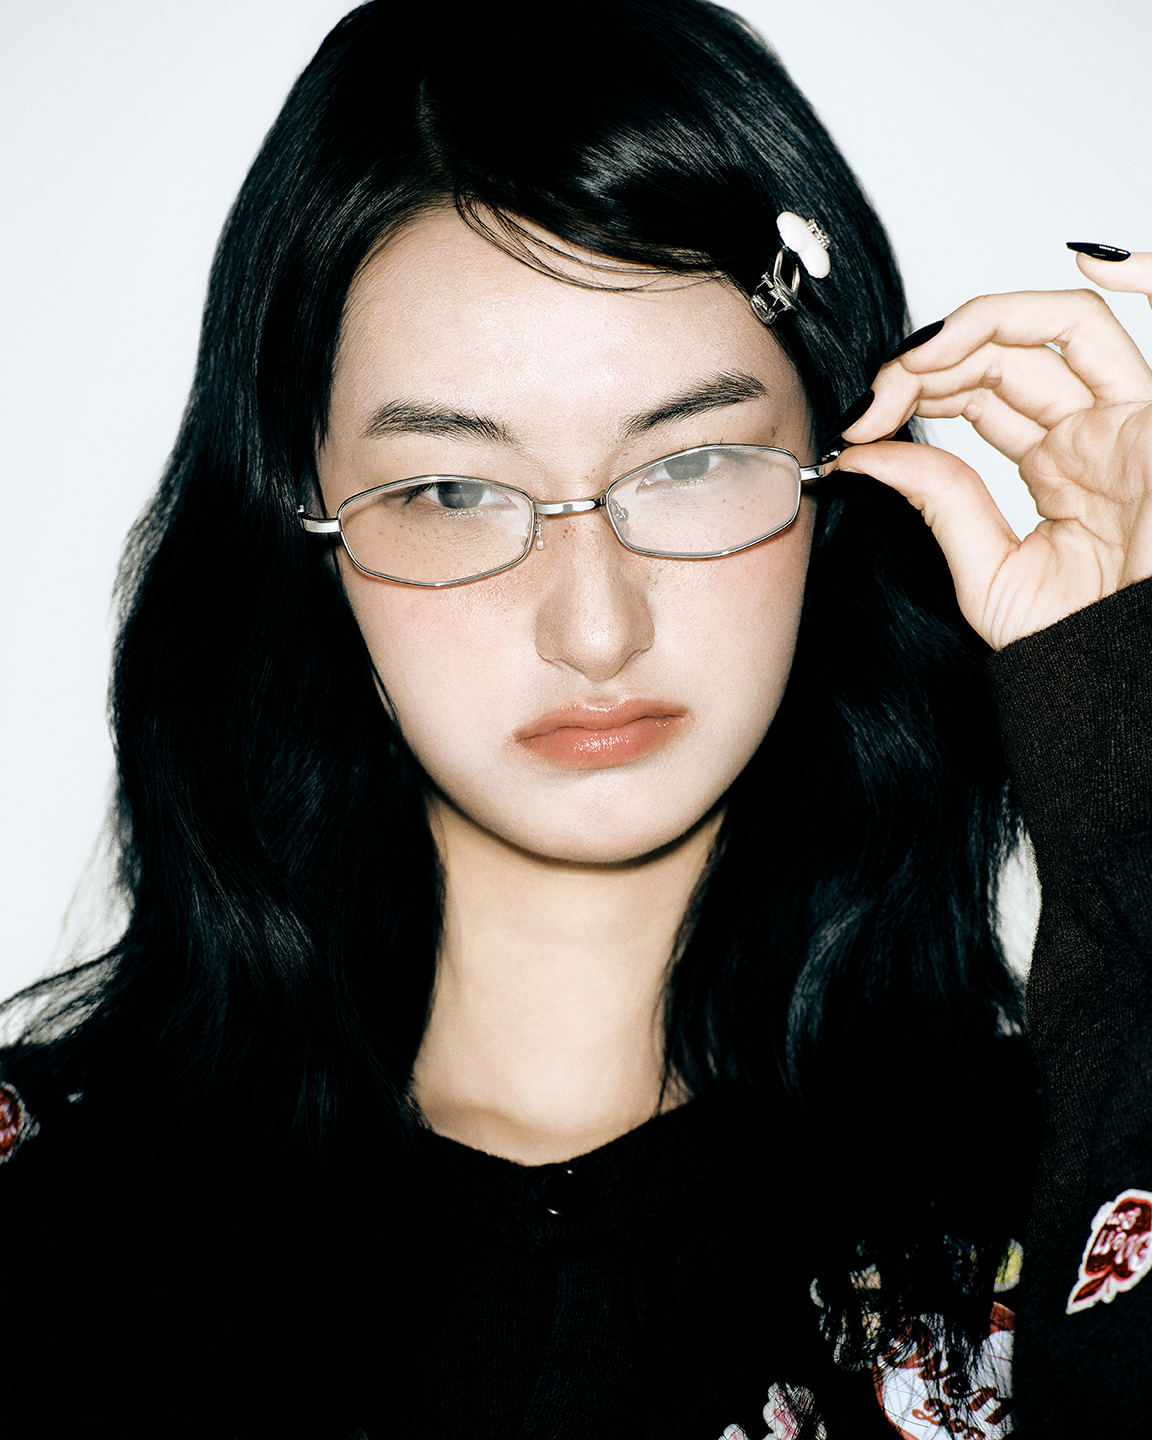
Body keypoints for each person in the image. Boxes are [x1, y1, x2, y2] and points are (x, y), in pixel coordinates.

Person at [1, 2, 1149, 1437]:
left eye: (693, 462)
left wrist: (1124, 748)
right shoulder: (34, 1222)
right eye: (451, 491)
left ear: (842, 480)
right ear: (304, 535)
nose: (595, 627)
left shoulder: (1068, 1182)